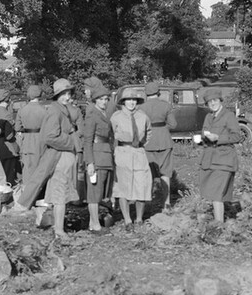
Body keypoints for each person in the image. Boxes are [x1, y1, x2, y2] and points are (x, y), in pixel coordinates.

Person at [8, 80, 80, 240]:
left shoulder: (60, 109)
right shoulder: (54, 110)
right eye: (64, 94)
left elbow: (19, 127)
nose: (67, 97)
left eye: (69, 94)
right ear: (57, 96)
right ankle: (58, 229)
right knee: (58, 191)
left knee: (48, 185)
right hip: (56, 153)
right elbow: (49, 136)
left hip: (35, 145)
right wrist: (72, 142)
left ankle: (54, 223)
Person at [196, 87, 242, 225]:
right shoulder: (208, 117)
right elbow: (205, 135)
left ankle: (218, 225)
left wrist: (218, 138)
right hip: (209, 159)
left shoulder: (229, 116)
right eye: (209, 102)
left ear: (220, 101)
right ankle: (217, 222)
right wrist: (201, 141)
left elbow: (237, 136)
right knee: (210, 193)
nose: (212, 104)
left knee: (216, 194)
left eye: (215, 101)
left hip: (224, 160)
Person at [110, 86, 152, 229]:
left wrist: (140, 146)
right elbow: (111, 135)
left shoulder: (143, 117)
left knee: (142, 185)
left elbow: (148, 134)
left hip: (138, 152)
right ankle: (127, 220)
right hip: (123, 152)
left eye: (134, 100)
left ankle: (139, 218)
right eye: (128, 100)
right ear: (123, 102)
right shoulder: (116, 117)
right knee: (123, 187)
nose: (132, 103)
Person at [138, 81, 178, 207]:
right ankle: (166, 203)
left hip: (148, 142)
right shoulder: (166, 106)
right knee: (165, 173)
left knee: (148, 174)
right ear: (159, 93)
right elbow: (173, 124)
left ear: (146, 94)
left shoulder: (141, 108)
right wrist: (162, 127)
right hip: (164, 140)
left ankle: (148, 202)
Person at [82, 84, 115, 234]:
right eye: (101, 99)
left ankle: (92, 223)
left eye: (106, 99)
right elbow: (87, 140)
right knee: (94, 193)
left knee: (100, 191)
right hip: (96, 156)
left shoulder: (104, 114)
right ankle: (95, 224)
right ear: (95, 100)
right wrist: (90, 162)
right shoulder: (91, 116)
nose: (104, 102)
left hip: (106, 155)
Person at [14, 85, 47, 187]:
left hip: (27, 141)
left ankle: (27, 195)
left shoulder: (22, 110)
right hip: (41, 141)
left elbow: (17, 128)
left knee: (27, 168)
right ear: (40, 95)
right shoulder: (44, 110)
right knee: (40, 168)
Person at [0, 88, 20, 186]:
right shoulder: (7, 114)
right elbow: (10, 133)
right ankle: (8, 194)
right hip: (6, 146)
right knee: (9, 172)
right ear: (8, 99)